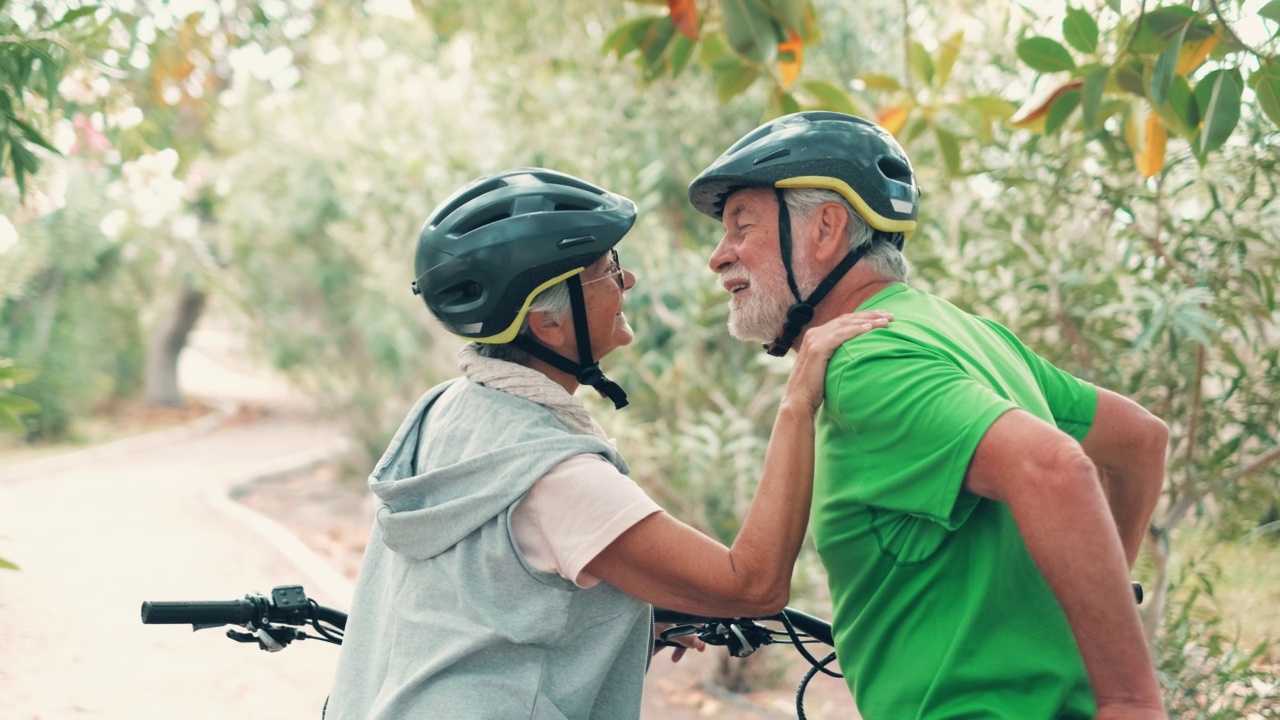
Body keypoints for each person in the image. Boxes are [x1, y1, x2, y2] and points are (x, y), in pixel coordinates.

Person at [324, 167, 892, 719]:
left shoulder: (446, 412)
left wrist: (612, 619)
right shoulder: (554, 476)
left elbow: (477, 597)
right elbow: (753, 585)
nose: (628, 281)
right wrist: (796, 403)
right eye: (607, 268)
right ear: (546, 322)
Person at [688, 112, 1170, 719]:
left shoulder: (868, 360)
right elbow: (1141, 440)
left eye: (741, 226)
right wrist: (1086, 599)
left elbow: (1055, 468)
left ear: (826, 228)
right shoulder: (967, 332)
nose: (719, 255)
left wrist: (1131, 701)